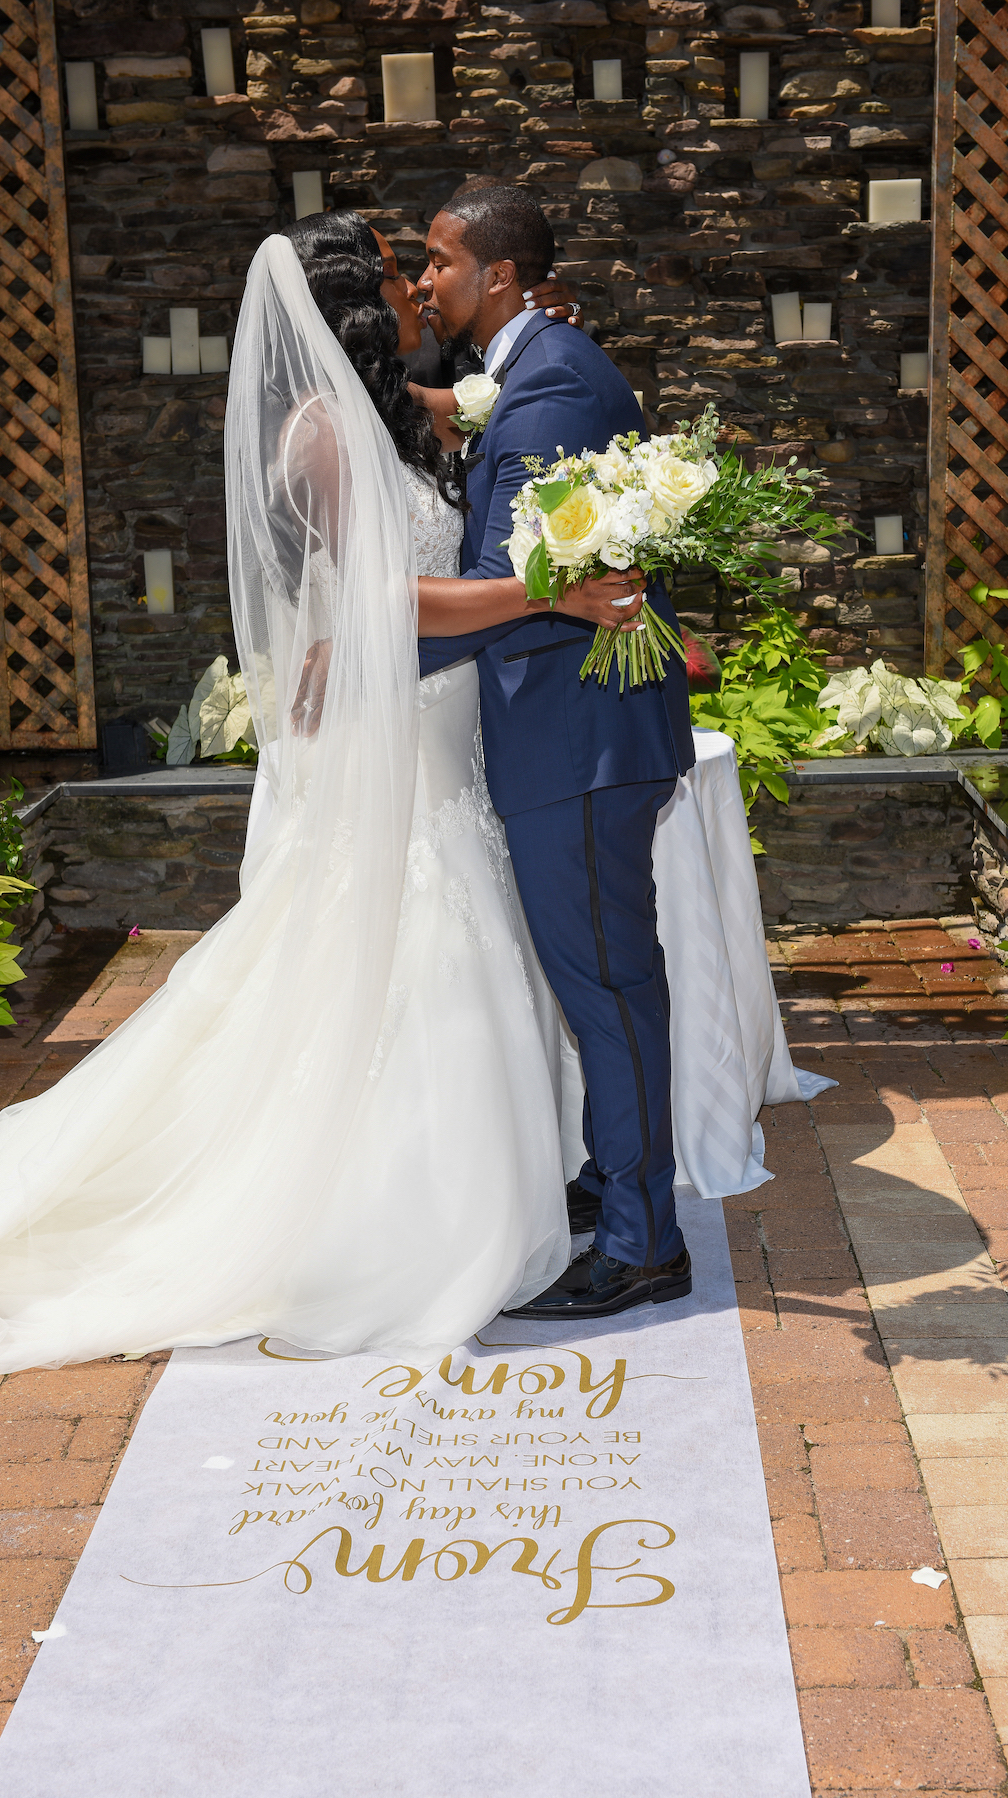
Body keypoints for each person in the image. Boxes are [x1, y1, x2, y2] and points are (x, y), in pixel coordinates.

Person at [0, 211, 637, 1372]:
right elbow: (392, 600)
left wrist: (528, 356)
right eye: (399, 273)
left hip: (442, 726)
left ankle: (491, 1194)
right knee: (416, 946)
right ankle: (398, 1221)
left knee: (457, 932)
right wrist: (548, 595)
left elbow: (481, 408)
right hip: (396, 727)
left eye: (431, 268)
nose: (422, 287)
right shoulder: (319, 431)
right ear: (362, 303)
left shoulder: (395, 409)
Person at [414, 186, 697, 1321]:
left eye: (439, 261)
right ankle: (611, 1181)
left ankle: (640, 1242)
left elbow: (507, 587)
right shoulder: (532, 378)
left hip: (575, 740)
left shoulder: (548, 391)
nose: (427, 280)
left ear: (498, 276)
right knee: (604, 977)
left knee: (609, 986)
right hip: (573, 731)